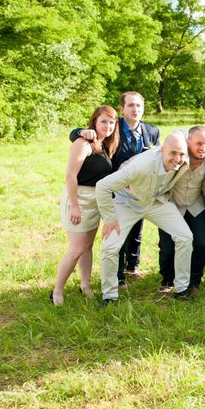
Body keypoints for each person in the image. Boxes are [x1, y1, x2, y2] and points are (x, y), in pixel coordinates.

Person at [70, 91, 160, 288]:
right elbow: (87, 130)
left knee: (137, 229)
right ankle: (118, 276)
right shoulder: (113, 125)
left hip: (139, 189)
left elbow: (157, 156)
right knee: (117, 230)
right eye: (131, 105)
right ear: (122, 109)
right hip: (115, 188)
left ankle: (132, 266)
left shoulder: (152, 131)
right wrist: (78, 132)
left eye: (139, 106)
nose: (135, 109)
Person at [95, 133, 193, 304]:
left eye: (182, 154)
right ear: (162, 150)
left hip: (157, 202)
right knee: (110, 247)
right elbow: (102, 186)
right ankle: (109, 295)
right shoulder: (140, 166)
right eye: (173, 153)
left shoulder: (184, 160)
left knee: (185, 237)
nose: (178, 159)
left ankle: (181, 288)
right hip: (128, 202)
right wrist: (110, 218)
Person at [51, 106, 119, 305]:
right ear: (94, 122)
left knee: (88, 246)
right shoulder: (84, 143)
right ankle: (57, 291)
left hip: (95, 200)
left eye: (111, 122)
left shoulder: (105, 144)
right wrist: (74, 206)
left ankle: (85, 284)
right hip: (79, 199)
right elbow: (70, 176)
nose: (108, 126)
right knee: (76, 249)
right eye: (103, 121)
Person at [158, 126, 205, 294]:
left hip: (196, 205)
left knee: (200, 244)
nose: (203, 148)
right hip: (172, 205)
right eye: (198, 143)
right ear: (187, 142)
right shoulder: (179, 155)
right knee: (167, 247)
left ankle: (194, 281)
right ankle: (168, 279)